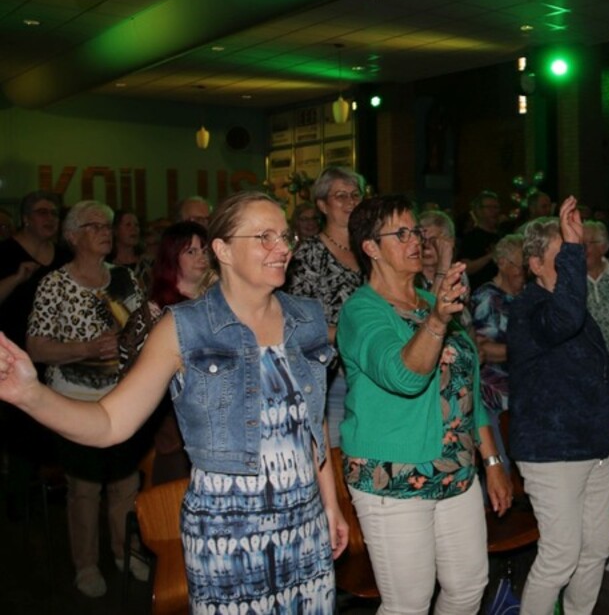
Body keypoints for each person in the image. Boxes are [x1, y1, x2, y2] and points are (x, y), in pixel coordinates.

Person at [0, 191, 349, 612]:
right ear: (223, 250)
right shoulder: (184, 328)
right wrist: (31, 394)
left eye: (285, 235)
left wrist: (330, 505)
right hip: (228, 535)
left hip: (305, 524)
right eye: (264, 237)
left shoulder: (307, 318)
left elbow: (312, 423)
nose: (282, 248)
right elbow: (110, 423)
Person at [337, 194, 512, 614]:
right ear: (371, 247)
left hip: (456, 470)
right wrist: (436, 323)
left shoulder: (433, 302)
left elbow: (468, 389)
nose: (416, 240)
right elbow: (404, 377)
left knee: (468, 588)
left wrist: (491, 462)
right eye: (401, 234)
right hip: (394, 475)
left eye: (415, 231)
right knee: (409, 604)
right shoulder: (361, 311)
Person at [508, 196, 609, 614]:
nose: (575, 259)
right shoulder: (529, 308)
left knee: (597, 547)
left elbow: (600, 370)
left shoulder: (576, 314)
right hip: (552, 452)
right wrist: (573, 246)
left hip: (592, 448)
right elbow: (563, 319)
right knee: (560, 557)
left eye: (577, 250)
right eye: (565, 253)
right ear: (536, 265)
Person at [25, 200, 147, 596]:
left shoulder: (125, 278)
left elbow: (143, 330)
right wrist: (87, 349)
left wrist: (130, 342)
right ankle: (86, 565)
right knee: (84, 488)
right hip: (73, 400)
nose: (105, 231)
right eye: (94, 225)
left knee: (126, 482)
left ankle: (125, 551)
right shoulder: (54, 284)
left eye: (107, 225)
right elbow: (36, 347)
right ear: (72, 236)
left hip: (123, 396)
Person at [117, 221, 210, 485]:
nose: (201, 257)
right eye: (191, 251)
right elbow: (129, 378)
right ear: (172, 259)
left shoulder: (219, 305)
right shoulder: (153, 314)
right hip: (172, 433)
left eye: (204, 250)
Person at [0, 191, 69, 521]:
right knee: (20, 432)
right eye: (42, 212)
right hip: (13, 357)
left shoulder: (64, 256)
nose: (50, 218)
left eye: (54, 213)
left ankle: (52, 494)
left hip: (55, 355)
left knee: (54, 424)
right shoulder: (5, 252)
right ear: (26, 218)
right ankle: (18, 501)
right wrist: (16, 278)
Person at [286, 166, 364, 448]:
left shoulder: (369, 251)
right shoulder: (309, 253)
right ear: (322, 205)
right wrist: (345, 335)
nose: (350, 202)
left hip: (367, 368)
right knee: (331, 452)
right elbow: (295, 320)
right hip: (327, 370)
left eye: (355, 195)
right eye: (340, 196)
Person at [470, 233, 525, 465]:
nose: (525, 273)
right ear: (502, 263)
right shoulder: (488, 298)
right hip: (495, 399)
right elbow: (484, 348)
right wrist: (531, 350)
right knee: (502, 467)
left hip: (521, 395)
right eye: (521, 266)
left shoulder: (524, 295)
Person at [583, 220, 609, 368]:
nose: (581, 249)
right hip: (584, 366)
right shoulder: (570, 281)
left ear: (603, 246)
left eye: (586, 244)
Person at [458, 190, 503, 290]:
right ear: (478, 211)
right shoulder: (471, 238)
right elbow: (465, 269)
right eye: (489, 207)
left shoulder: (502, 236)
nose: (494, 211)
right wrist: (490, 256)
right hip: (479, 291)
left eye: (496, 207)